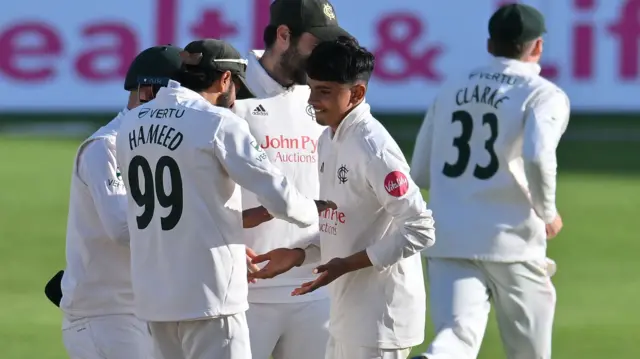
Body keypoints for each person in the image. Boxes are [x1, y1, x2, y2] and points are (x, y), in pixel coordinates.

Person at [114, 38, 334, 359]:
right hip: (211, 296)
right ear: (225, 79)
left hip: (154, 296)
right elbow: (279, 196)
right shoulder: (219, 122)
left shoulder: (131, 122)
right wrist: (312, 212)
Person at [249, 37, 436, 359]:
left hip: (380, 321)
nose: (313, 101)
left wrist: (346, 264)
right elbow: (342, 222)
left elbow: (421, 228)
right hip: (344, 315)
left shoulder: (373, 148)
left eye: (325, 92)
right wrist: (298, 254)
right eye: (311, 89)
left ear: (357, 93)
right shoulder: (328, 138)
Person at [409, 4, 569, 359]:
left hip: (449, 234)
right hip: (513, 240)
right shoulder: (544, 94)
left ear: (489, 43)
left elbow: (419, 171)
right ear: (537, 46)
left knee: (455, 339)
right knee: (530, 352)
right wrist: (546, 212)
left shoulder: (451, 88)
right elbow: (537, 154)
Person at [230, 1, 351, 358]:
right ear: (284, 35)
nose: (324, 56)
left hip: (314, 284)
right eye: (317, 44)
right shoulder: (231, 88)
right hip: (242, 289)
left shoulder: (322, 94)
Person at [59, 45, 184, 359]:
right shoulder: (105, 147)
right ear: (147, 92)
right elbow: (122, 229)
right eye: (182, 97)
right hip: (106, 314)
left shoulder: (171, 146)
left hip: (149, 307)